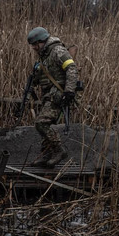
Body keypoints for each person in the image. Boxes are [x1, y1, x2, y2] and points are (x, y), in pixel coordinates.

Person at [26, 27, 78, 168]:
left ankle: (59, 150)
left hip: (58, 94)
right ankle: (47, 154)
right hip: (48, 95)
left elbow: (71, 69)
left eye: (36, 44)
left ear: (43, 41)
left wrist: (69, 91)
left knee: (41, 123)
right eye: (33, 46)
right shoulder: (44, 54)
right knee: (44, 125)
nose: (35, 48)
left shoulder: (57, 51)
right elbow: (42, 74)